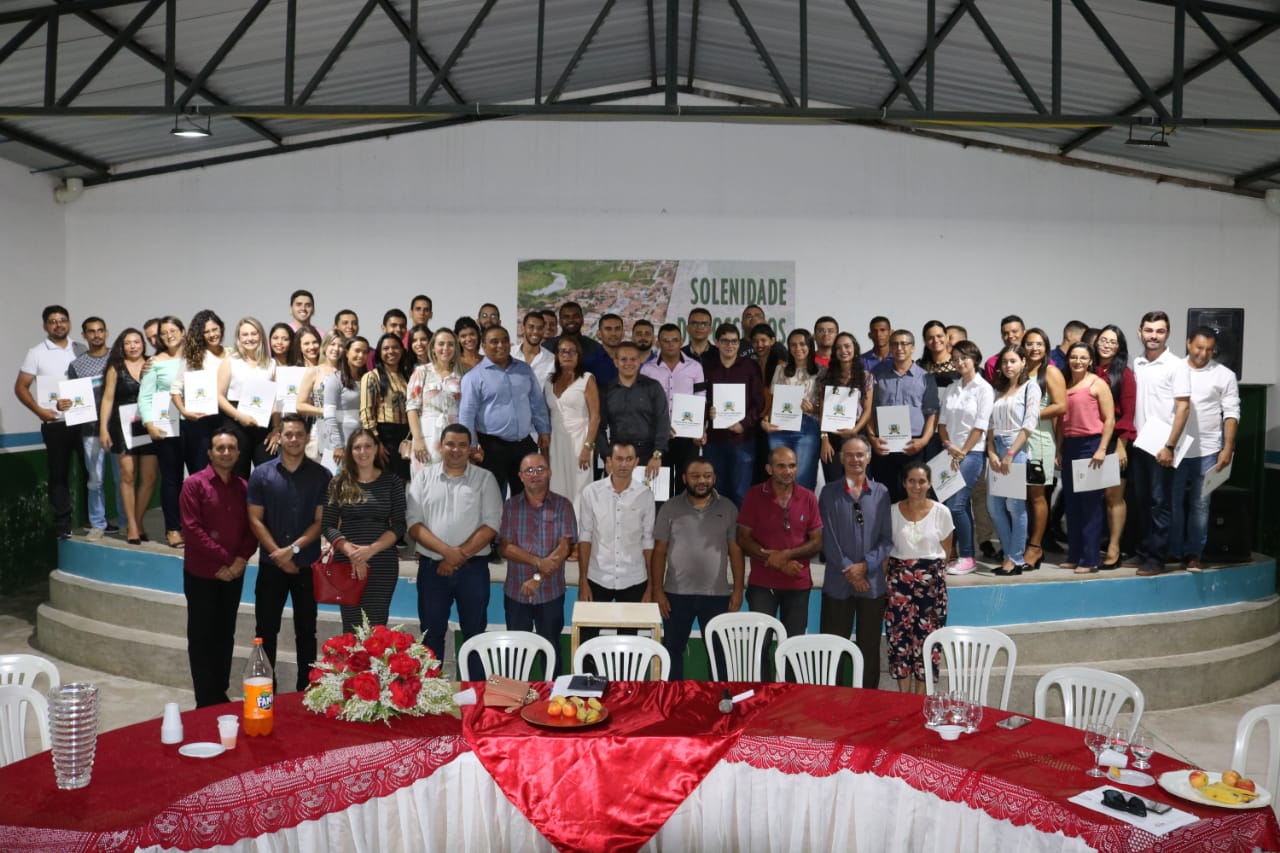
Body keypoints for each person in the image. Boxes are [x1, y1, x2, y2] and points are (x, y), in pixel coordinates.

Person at [247, 413, 331, 691]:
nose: (294, 439)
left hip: (306, 565)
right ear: (279, 437)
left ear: (307, 438)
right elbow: (255, 519)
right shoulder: (261, 474)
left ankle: (305, 691)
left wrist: (292, 550)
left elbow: (321, 522)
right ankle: (264, 689)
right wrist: (279, 555)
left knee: (307, 632)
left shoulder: (321, 476)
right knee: (265, 631)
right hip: (272, 567)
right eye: (288, 434)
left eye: (299, 434)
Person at [407, 424, 502, 661]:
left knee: (475, 638)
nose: (456, 450)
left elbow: (491, 525)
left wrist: (456, 558)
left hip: (473, 571)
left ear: (470, 448)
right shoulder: (423, 478)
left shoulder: (485, 479)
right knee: (430, 637)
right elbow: (414, 524)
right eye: (450, 444)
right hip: (432, 570)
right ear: (440, 446)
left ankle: (474, 694)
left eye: (462, 445)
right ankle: (432, 694)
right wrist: (447, 553)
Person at [180, 425, 257, 707]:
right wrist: (227, 559)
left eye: (231, 448)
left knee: (225, 634)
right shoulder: (194, 485)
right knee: (201, 637)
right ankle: (204, 699)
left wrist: (240, 561)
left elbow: (253, 528)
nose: (226, 453)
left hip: (234, 574)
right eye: (220, 448)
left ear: (238, 453)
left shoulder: (244, 487)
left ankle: (219, 693)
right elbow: (192, 529)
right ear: (210, 453)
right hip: (202, 573)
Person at [650, 458, 744, 680]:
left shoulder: (728, 508)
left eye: (707, 476)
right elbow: (659, 551)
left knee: (719, 652)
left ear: (714, 478)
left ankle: (720, 701)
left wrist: (738, 590)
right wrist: (658, 591)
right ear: (684, 478)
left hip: (717, 596)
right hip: (676, 595)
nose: (702, 481)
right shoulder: (670, 507)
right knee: (672, 650)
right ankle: (672, 701)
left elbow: (736, 551)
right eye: (695, 476)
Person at [819, 436, 892, 688]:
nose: (855, 459)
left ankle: (867, 703)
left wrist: (865, 567)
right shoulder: (828, 493)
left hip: (871, 585)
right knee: (833, 649)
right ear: (841, 459)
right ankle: (834, 705)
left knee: (869, 649)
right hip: (838, 584)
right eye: (849, 455)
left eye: (860, 454)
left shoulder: (881, 493)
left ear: (869, 457)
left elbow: (886, 540)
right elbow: (827, 539)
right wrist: (851, 570)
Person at [498, 453, 577, 676]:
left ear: (549, 473)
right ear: (520, 476)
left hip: (550, 594)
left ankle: (553, 699)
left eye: (540, 469)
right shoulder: (510, 507)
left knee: (551, 649)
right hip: (516, 594)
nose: (535, 474)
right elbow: (505, 547)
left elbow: (564, 548)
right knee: (516, 653)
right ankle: (514, 700)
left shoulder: (563, 505)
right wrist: (537, 562)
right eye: (529, 470)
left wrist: (537, 578)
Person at [321, 428, 407, 632]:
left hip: (382, 563)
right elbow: (327, 525)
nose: (363, 451)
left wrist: (369, 550)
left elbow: (398, 525)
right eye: (357, 447)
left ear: (377, 449)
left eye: (368, 446)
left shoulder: (392, 482)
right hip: (347, 564)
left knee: (377, 629)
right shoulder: (338, 482)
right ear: (350, 452)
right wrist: (353, 554)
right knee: (351, 630)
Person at [1168, 327, 1239, 570]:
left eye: (1209, 349)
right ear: (1188, 344)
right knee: (1173, 502)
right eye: (1199, 347)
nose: (1203, 353)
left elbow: (1231, 413)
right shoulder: (1175, 369)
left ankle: (1194, 553)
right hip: (1176, 448)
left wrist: (1227, 447)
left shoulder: (1224, 375)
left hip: (1209, 450)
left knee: (1201, 504)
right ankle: (1174, 550)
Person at [1128, 311, 1192, 577]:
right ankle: (1143, 551)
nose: (1153, 336)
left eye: (1160, 331)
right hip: (1139, 444)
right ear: (1140, 332)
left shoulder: (1177, 365)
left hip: (1162, 447)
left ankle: (1156, 558)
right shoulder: (1138, 362)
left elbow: (1183, 408)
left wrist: (1170, 445)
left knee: (1159, 503)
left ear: (1168, 333)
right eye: (1149, 330)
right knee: (1141, 501)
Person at [14, 305, 86, 540]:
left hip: (84, 421)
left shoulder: (81, 349)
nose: (59, 324)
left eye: (63, 320)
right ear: (45, 325)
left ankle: (91, 521)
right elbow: (20, 387)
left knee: (91, 473)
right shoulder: (36, 352)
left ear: (70, 323)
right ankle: (63, 523)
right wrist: (40, 411)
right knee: (58, 474)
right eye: (53, 321)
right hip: (55, 424)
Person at [736, 446, 823, 639]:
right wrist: (780, 562)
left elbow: (817, 542)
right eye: (781, 466)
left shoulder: (808, 497)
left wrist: (786, 556)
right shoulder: (754, 495)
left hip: (798, 584)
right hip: (762, 585)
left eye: (792, 466)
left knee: (794, 645)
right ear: (769, 469)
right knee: (761, 644)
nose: (787, 471)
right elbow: (743, 537)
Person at [885, 459, 954, 694]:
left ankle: (920, 700)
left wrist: (924, 576)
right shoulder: (892, 512)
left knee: (927, 641)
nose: (917, 486)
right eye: (912, 481)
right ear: (904, 483)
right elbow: (886, 550)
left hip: (930, 588)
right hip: (899, 587)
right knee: (899, 640)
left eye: (922, 481)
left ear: (930, 483)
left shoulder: (941, 512)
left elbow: (946, 552)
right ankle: (904, 698)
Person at [458, 325, 551, 500]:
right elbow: (466, 415)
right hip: (492, 447)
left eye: (504, 340)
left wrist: (544, 430)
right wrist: (470, 447)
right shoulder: (474, 377)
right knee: (492, 500)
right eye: (494, 342)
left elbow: (537, 402)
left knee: (528, 498)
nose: (500, 345)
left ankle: (523, 528)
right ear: (483, 346)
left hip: (524, 444)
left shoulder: (524, 370)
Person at [576, 442, 656, 642]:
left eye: (629, 459)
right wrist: (583, 580)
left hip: (634, 579)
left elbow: (648, 541)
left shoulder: (645, 495)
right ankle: (588, 675)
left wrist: (651, 586)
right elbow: (585, 537)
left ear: (636, 462)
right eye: (619, 459)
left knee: (628, 642)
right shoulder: (591, 493)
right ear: (609, 462)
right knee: (588, 640)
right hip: (597, 577)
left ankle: (626, 676)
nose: (624, 464)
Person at [1057, 342, 1115, 574]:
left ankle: (1090, 559)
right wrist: (1060, 450)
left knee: (1091, 505)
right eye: (1073, 357)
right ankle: (1075, 554)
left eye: (1082, 357)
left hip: (1092, 446)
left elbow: (1109, 420)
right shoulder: (1065, 385)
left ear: (1090, 360)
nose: (1077, 361)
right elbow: (1061, 423)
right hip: (1070, 446)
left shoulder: (1098, 384)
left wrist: (1101, 449)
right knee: (1072, 504)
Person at [99, 328, 159, 546]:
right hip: (121, 426)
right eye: (128, 343)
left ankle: (138, 519)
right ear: (122, 347)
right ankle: (132, 525)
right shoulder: (116, 367)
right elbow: (107, 399)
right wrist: (103, 429)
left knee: (150, 478)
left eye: (137, 341)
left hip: (149, 426)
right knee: (127, 476)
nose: (133, 346)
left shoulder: (153, 363)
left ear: (143, 344)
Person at [936, 340, 991, 575]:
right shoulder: (952, 388)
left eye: (964, 358)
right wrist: (949, 446)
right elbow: (941, 424)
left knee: (957, 505)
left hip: (973, 453)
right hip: (949, 453)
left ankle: (968, 557)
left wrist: (963, 452)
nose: (959, 362)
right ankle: (960, 554)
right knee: (954, 505)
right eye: (955, 359)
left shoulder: (984, 389)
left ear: (975, 359)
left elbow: (980, 426)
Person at [985, 344, 1040, 576]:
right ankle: (1010, 555)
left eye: (1013, 361)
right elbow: (989, 426)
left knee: (1015, 506)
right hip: (996, 449)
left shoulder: (1031, 387)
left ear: (1023, 362)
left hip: (1015, 448)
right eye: (1004, 362)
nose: (1008, 365)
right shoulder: (998, 390)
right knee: (994, 506)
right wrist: (991, 452)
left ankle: (1015, 559)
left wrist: (1009, 454)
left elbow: (1029, 424)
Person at [869, 329, 939, 502]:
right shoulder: (877, 374)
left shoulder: (926, 378)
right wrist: (872, 439)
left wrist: (923, 441)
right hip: (884, 444)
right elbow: (869, 410)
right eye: (894, 344)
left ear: (913, 348)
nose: (899, 348)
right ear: (890, 348)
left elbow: (932, 413)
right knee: (886, 496)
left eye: (904, 343)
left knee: (914, 497)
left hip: (914, 445)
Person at [1019, 328, 1067, 571]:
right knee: (1020, 497)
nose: (1034, 348)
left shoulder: (1051, 372)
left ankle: (1036, 547)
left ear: (1046, 347)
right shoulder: (1017, 369)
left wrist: (1030, 414)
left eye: (1039, 344)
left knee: (1037, 497)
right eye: (1029, 344)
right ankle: (1022, 543)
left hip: (1039, 442)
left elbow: (1061, 406)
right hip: (1016, 444)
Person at [703, 323, 765, 507]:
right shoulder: (708, 368)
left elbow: (759, 402)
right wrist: (708, 411)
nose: (730, 345)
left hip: (743, 440)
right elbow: (700, 398)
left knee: (741, 492)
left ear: (739, 344)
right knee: (717, 491)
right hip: (715, 441)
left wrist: (744, 424)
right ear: (717, 342)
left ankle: (740, 535)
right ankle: (722, 534)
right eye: (725, 341)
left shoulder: (750, 367)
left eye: (734, 341)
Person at [139, 316, 188, 545]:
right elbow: (145, 396)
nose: (169, 335)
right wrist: (150, 424)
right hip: (166, 428)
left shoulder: (197, 357)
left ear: (183, 331)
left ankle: (196, 527)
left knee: (200, 478)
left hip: (196, 426)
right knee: (171, 479)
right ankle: (173, 529)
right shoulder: (154, 362)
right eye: (164, 332)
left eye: (173, 330)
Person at [641, 323, 705, 497]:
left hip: (687, 434)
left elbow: (701, 397)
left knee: (686, 482)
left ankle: (684, 521)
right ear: (658, 342)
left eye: (675, 340)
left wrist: (700, 429)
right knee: (660, 484)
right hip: (658, 436)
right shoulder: (647, 369)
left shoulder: (695, 367)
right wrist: (660, 427)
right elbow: (645, 405)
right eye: (666, 340)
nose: (670, 344)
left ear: (681, 341)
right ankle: (662, 519)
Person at [66, 316, 114, 539]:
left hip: (120, 429)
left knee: (125, 477)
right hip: (90, 431)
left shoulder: (118, 357)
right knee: (95, 480)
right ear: (84, 335)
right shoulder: (76, 365)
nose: (96, 335)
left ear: (106, 332)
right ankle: (97, 524)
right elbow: (73, 400)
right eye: (91, 331)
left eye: (100, 330)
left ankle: (130, 523)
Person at [1093, 324, 1137, 568]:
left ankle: (1114, 546)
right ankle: (1092, 546)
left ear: (1119, 347)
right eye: (1103, 340)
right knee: (1091, 497)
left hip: (1114, 442)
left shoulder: (1125, 375)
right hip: (1089, 441)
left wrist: (1121, 446)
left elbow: (1129, 415)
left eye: (1112, 341)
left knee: (1113, 497)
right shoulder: (1088, 368)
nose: (1106, 344)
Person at [761, 328, 823, 492]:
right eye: (793, 345)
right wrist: (765, 421)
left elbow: (825, 408)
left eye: (802, 344)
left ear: (810, 346)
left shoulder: (821, 371)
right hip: (780, 427)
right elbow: (773, 405)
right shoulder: (780, 370)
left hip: (808, 427)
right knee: (779, 477)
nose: (798, 348)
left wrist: (814, 409)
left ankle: (802, 517)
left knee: (803, 478)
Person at [597, 341, 668, 480]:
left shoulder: (653, 387)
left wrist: (657, 455)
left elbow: (663, 422)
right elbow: (600, 427)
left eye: (633, 359)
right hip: (617, 456)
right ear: (616, 362)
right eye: (623, 359)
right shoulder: (606, 390)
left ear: (640, 360)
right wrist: (607, 457)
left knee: (649, 500)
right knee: (618, 500)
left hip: (648, 456)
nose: (628, 363)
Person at [216, 316, 276, 479]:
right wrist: (240, 416)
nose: (250, 338)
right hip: (235, 422)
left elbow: (276, 399)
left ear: (261, 335)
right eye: (245, 334)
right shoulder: (230, 362)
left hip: (263, 426)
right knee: (238, 475)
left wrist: (276, 428)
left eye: (254, 333)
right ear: (239, 338)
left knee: (268, 474)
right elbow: (219, 396)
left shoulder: (271, 364)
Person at [545, 335, 599, 511]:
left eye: (571, 351)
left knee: (580, 491)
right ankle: (561, 535)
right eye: (563, 351)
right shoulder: (548, 382)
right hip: (556, 443)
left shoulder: (587, 379)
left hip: (580, 441)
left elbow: (595, 417)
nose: (567, 355)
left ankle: (580, 537)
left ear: (578, 355)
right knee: (557, 488)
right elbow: (546, 414)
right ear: (557, 355)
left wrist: (587, 447)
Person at [172, 308, 226, 476]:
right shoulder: (194, 356)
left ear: (221, 328)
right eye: (206, 331)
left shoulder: (232, 354)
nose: (212, 334)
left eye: (214, 329)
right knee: (202, 471)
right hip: (200, 422)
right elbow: (175, 388)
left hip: (226, 419)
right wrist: (184, 412)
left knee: (226, 470)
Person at [819, 332, 874, 486]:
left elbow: (867, 410)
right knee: (834, 484)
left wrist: (855, 430)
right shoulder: (826, 376)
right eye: (838, 348)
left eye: (847, 346)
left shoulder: (866, 376)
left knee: (860, 483)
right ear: (834, 352)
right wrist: (824, 439)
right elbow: (822, 411)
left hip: (857, 434)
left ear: (855, 349)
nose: (843, 351)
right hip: (832, 438)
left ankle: (860, 512)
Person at [407, 327, 463, 468]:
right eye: (441, 344)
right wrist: (418, 440)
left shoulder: (461, 376)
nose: (446, 348)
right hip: (427, 433)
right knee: (425, 482)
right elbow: (412, 408)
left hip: (454, 434)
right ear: (432, 348)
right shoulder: (422, 372)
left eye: (450, 344)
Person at [360, 333, 411, 482]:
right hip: (384, 435)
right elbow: (366, 412)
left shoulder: (407, 376)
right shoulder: (371, 377)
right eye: (386, 348)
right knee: (387, 481)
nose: (391, 351)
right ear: (379, 353)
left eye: (395, 347)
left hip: (405, 435)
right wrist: (376, 443)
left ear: (402, 351)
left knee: (404, 482)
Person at [295, 330, 345, 461]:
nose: (336, 349)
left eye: (340, 345)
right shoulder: (314, 371)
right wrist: (324, 411)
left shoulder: (348, 373)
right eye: (332, 344)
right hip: (320, 430)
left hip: (345, 429)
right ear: (325, 346)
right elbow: (300, 405)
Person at [322, 336, 370, 465]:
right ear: (347, 352)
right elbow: (329, 415)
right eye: (357, 351)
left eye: (365, 352)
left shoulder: (368, 379)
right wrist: (338, 445)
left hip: (363, 443)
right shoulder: (335, 379)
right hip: (341, 444)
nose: (361, 355)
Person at [583, 312, 624, 387]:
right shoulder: (588, 362)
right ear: (599, 334)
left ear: (623, 333)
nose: (613, 333)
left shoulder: (631, 362)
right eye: (608, 329)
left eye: (617, 329)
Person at [515, 311, 555, 386]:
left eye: (540, 328)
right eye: (531, 327)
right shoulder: (510, 354)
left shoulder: (552, 360)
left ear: (543, 331)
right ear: (522, 328)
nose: (535, 331)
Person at [982, 315, 1025, 381]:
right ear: (1002, 337)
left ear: (1024, 333)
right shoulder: (992, 363)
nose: (1010, 336)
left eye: (1014, 331)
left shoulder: (1036, 359)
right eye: (1005, 333)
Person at [918, 320, 958, 389]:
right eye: (930, 338)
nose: (935, 340)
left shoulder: (960, 363)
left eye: (939, 336)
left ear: (947, 337)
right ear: (925, 341)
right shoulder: (918, 367)